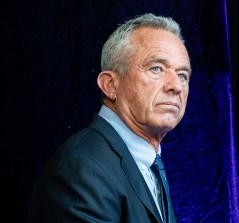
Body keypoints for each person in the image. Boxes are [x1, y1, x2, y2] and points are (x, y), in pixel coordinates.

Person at [27, 13, 191, 223]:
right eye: (156, 68)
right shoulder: (83, 169)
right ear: (111, 85)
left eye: (182, 75)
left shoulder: (146, 160)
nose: (176, 86)